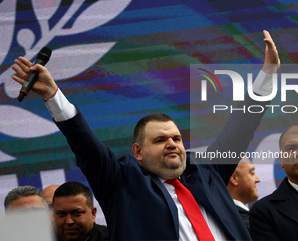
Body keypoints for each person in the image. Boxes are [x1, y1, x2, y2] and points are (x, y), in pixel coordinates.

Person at [11, 30, 279, 240]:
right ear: (138, 152)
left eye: (176, 138)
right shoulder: (121, 181)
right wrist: (53, 95)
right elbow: (84, 144)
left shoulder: (208, 170)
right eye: (160, 140)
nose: (172, 144)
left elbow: (241, 126)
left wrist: (267, 75)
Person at [227, 157, 260, 231]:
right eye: (252, 173)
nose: (258, 179)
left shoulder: (223, 217)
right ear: (234, 178)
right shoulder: (244, 223)